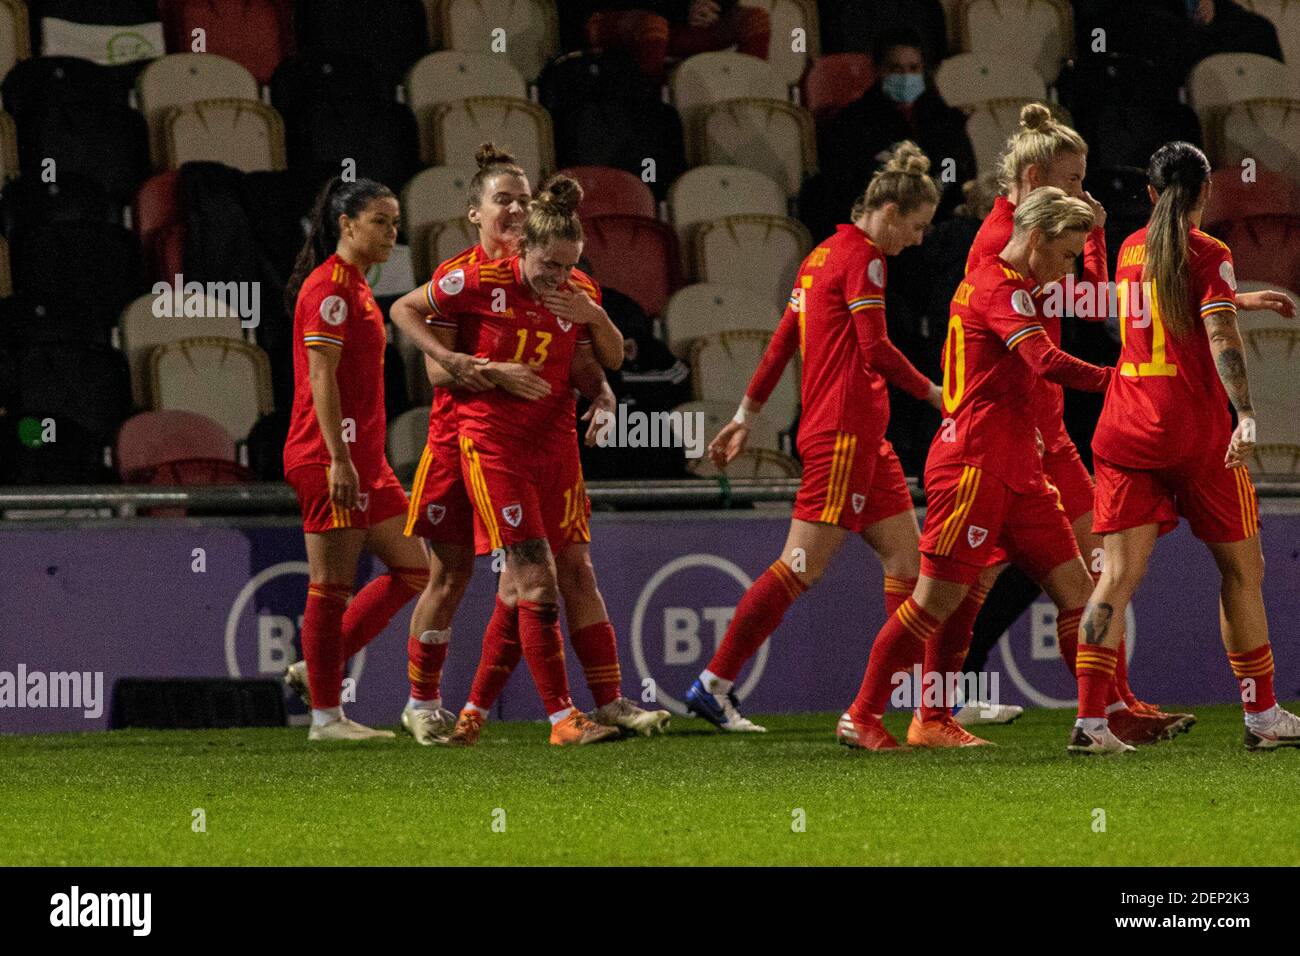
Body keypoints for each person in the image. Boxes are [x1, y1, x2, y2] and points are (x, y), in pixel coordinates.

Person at [387, 147, 670, 744]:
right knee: (456, 576)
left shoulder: (571, 284)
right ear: (477, 213)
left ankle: (520, 710)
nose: (515, 208)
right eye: (503, 200)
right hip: (465, 439)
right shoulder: (466, 277)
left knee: (550, 574)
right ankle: (429, 703)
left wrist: (603, 391)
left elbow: (596, 360)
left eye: (522, 198)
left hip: (551, 442)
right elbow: (433, 362)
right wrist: (487, 368)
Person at [838, 187, 1113, 752]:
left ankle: (1093, 724)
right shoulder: (996, 286)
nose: (1068, 271)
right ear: (1035, 238)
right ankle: (863, 715)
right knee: (934, 603)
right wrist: (1125, 379)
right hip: (974, 467)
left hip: (1020, 470)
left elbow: (1094, 304)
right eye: (1065, 255)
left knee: (1078, 593)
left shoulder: (1026, 286)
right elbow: (1045, 361)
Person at [684, 142, 945, 734]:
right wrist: (935, 394)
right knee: (799, 567)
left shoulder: (820, 255)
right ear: (890, 210)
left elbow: (782, 342)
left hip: (863, 440)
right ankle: (714, 683)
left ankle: (920, 703)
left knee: (909, 560)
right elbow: (876, 348)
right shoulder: (866, 260)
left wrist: (747, 414)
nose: (920, 239)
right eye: (918, 225)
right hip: (844, 437)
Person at [1082, 141, 1300, 753]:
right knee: (1242, 570)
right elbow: (1217, 330)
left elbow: (1163, 309)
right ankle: (1261, 717)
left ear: (1151, 196)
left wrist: (1240, 296)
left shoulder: (1129, 248)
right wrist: (1247, 413)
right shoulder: (1210, 252)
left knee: (1115, 578)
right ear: (1207, 194)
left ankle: (1091, 722)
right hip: (1193, 434)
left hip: (1124, 429)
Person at [281, 177, 430, 742]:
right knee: (330, 585)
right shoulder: (332, 290)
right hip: (328, 457)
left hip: (367, 461)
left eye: (395, 222)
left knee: (418, 568)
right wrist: (338, 459)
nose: (392, 233)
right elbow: (320, 376)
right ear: (346, 225)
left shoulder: (360, 288)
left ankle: (312, 671)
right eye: (379, 222)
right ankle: (325, 717)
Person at [806, 27, 976, 236]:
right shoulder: (852, 123)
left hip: (939, 227)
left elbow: (955, 173)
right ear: (879, 70)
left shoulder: (946, 120)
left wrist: (932, 218)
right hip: (882, 229)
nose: (906, 76)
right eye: (896, 68)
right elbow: (848, 186)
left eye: (913, 68)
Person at [579, 1, 771, 84]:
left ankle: (744, 103)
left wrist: (710, 4)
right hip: (617, 16)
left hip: (682, 20)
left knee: (756, 20)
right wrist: (685, 9)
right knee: (653, 27)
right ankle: (653, 107)